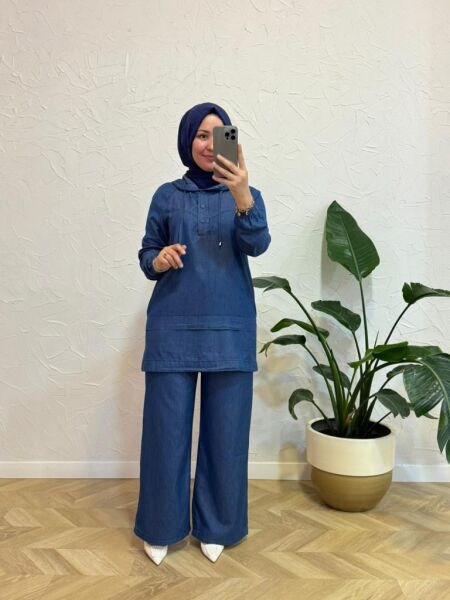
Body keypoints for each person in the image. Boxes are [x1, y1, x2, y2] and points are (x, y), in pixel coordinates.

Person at [133, 102, 271, 565]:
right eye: (201, 135)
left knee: (226, 436)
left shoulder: (246, 194)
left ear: (232, 141)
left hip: (230, 329)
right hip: (172, 329)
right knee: (164, 436)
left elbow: (257, 244)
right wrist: (159, 259)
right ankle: (160, 525)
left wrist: (243, 195)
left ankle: (219, 526)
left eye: (219, 135)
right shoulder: (165, 195)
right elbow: (147, 254)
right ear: (187, 140)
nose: (211, 145)